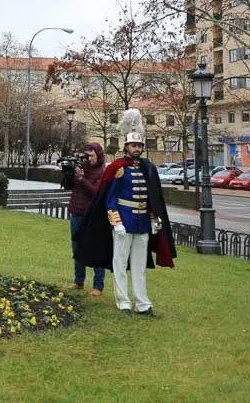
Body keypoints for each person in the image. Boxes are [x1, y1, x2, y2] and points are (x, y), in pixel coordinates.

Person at [78, 109, 176, 316]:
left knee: (139, 266)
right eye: (134, 145)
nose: (137, 148)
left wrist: (154, 218)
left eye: (140, 145)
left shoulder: (148, 168)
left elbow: (153, 198)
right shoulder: (117, 167)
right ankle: (123, 301)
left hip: (142, 223)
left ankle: (142, 302)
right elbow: (110, 198)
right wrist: (116, 221)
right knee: (120, 263)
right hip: (124, 221)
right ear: (126, 147)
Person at [68, 142, 106, 296]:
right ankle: (78, 281)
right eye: (87, 155)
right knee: (77, 248)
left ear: (98, 155)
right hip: (76, 212)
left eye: (92, 155)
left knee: (96, 248)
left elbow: (96, 192)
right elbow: (68, 186)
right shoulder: (81, 168)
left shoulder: (102, 172)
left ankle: (98, 285)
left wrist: (82, 179)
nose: (89, 159)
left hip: (92, 215)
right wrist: (70, 173)